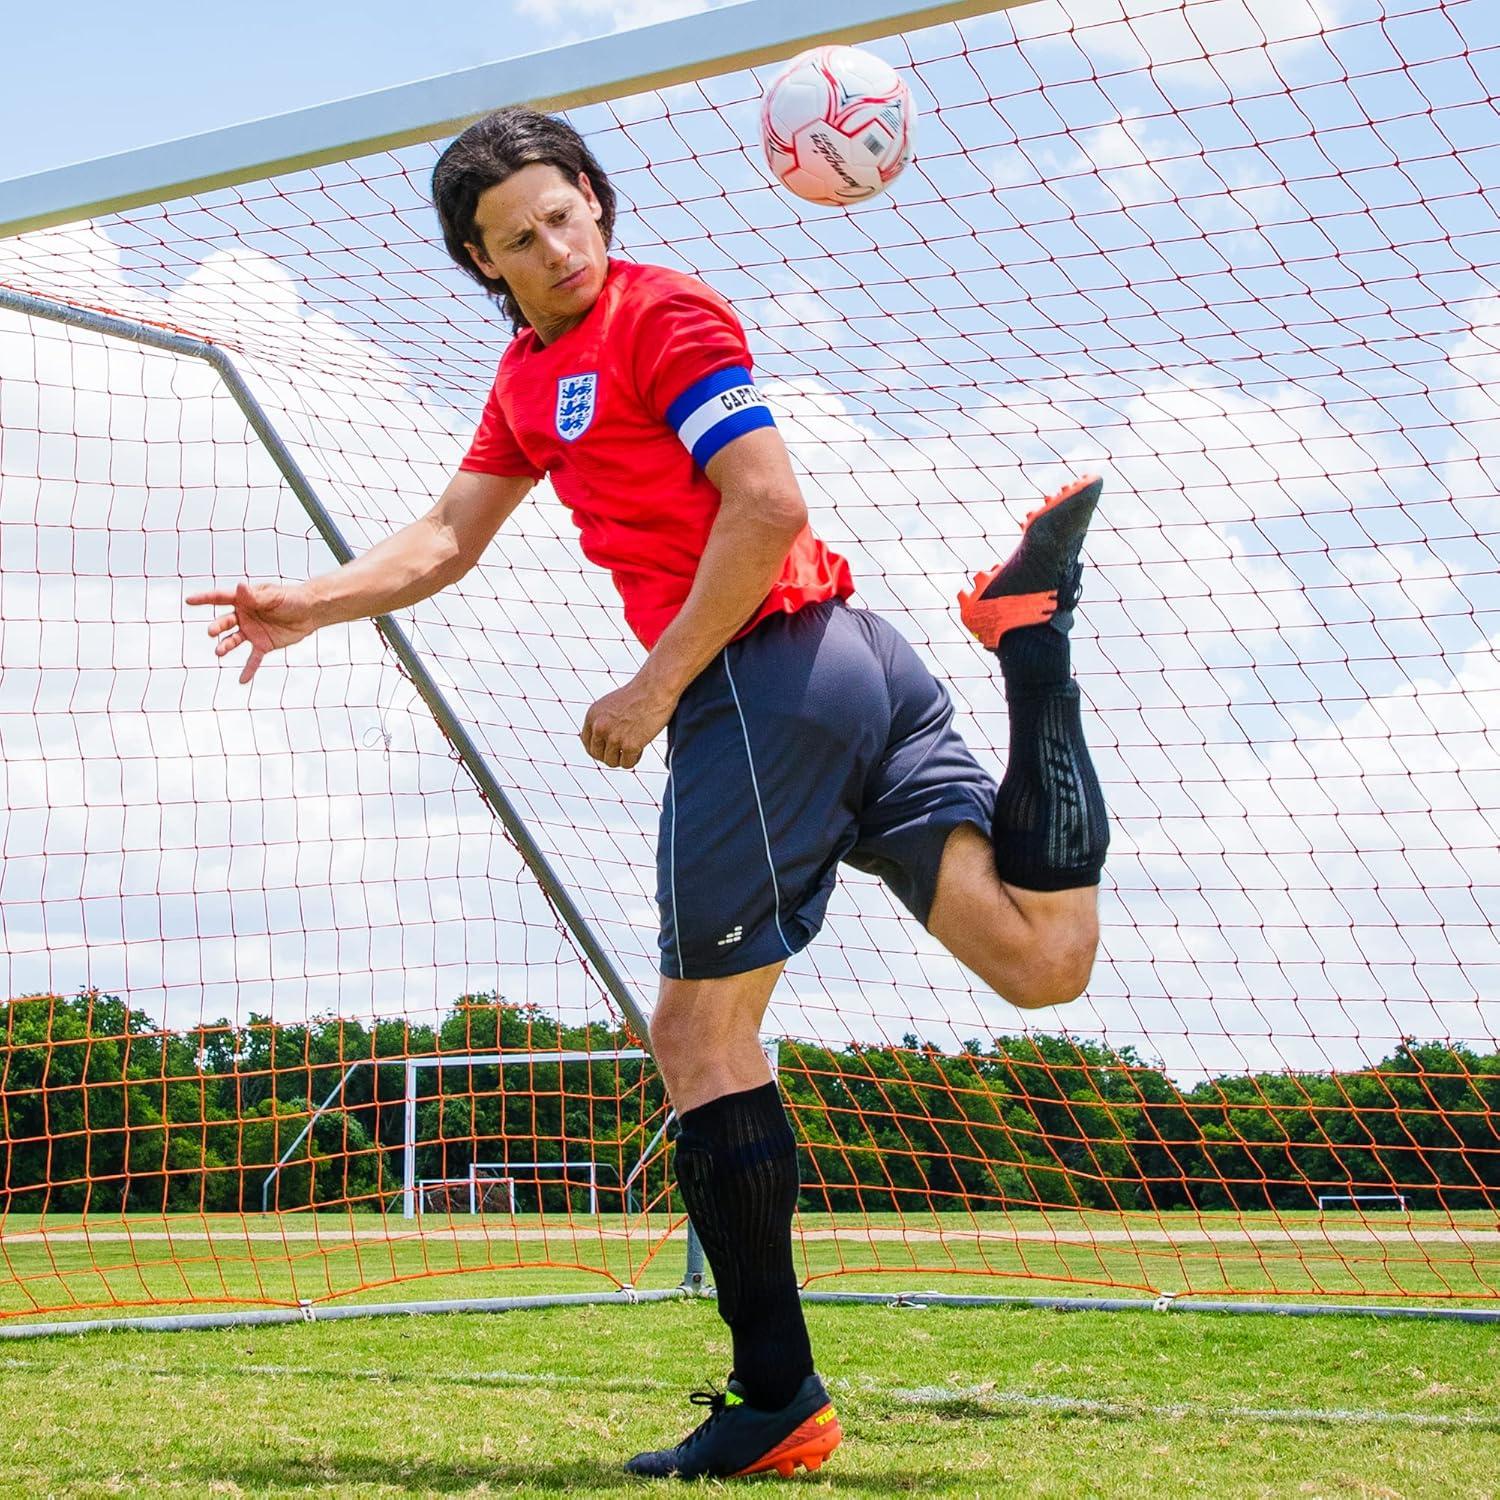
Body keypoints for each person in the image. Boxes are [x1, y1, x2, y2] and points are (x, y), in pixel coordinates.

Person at [187, 107, 1109, 1482]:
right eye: (518, 238)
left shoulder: (664, 316)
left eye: (567, 215)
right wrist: (306, 602)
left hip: (761, 681)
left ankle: (776, 1397)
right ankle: (1031, 643)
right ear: (480, 261)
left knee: (698, 1035)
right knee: (1044, 963)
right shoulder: (523, 376)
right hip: (863, 665)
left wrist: (658, 685)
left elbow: (767, 505)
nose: (555, 247)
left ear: (599, 206)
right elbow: (448, 534)